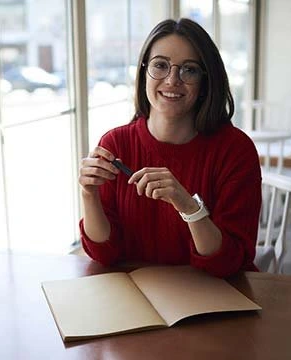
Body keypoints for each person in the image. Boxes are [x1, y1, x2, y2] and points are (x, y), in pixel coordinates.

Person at [78, 18, 262, 278]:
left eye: (189, 70)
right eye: (160, 66)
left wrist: (188, 205)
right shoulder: (115, 144)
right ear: (144, 73)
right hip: (137, 298)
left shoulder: (236, 150)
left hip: (216, 296)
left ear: (205, 82)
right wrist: (88, 194)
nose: (172, 80)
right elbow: (104, 253)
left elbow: (230, 262)